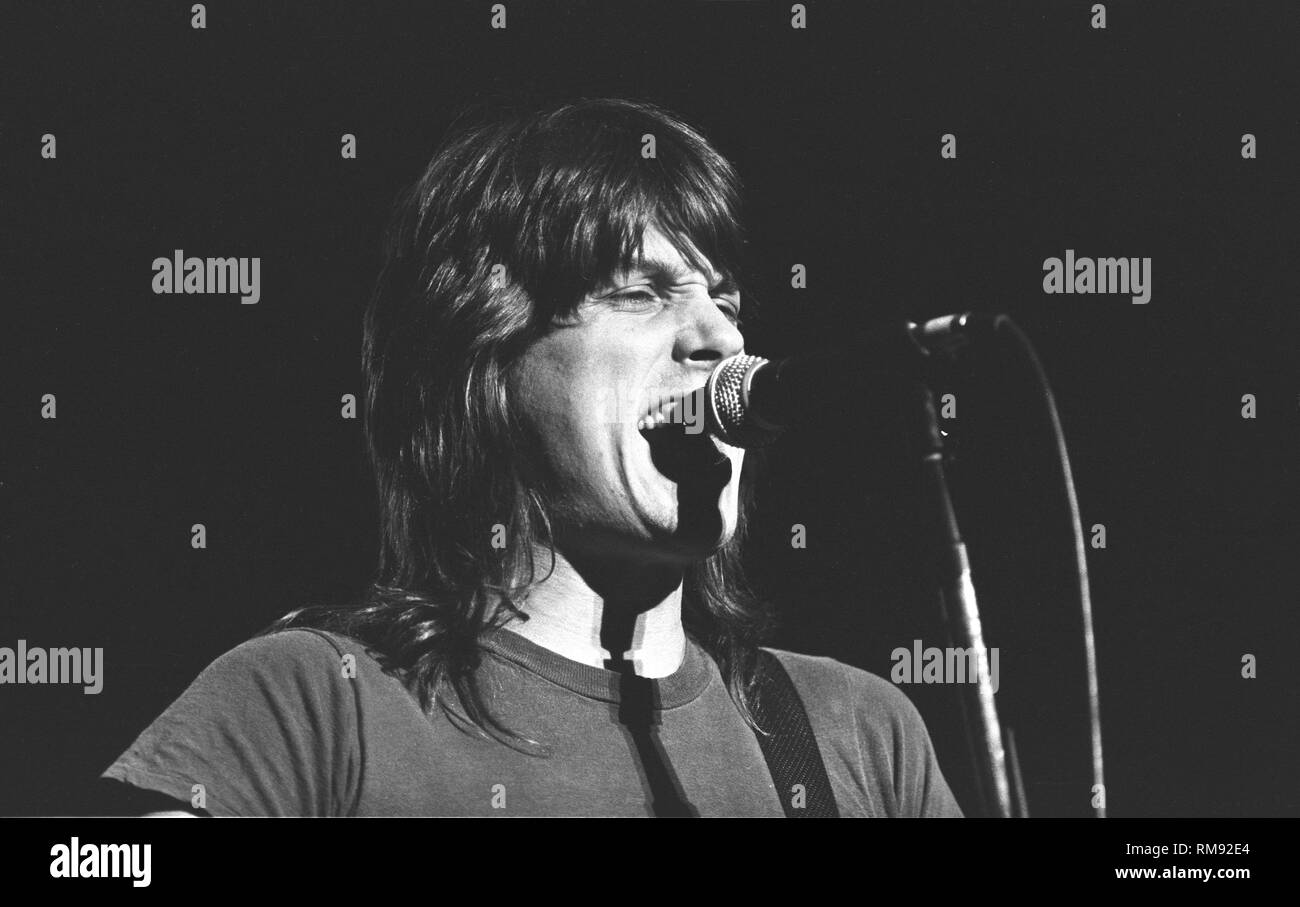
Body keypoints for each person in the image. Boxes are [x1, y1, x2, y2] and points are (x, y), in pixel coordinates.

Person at [100, 97, 964, 817]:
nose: (721, 339)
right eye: (638, 292)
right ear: (487, 368)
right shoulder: (313, 705)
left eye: (728, 303)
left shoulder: (860, 734)